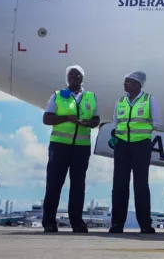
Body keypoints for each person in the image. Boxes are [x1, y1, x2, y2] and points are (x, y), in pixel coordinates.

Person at [41, 65, 99, 233]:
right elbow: (47, 118)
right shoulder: (57, 95)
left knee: (78, 186)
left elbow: (96, 119)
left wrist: (88, 123)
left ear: (83, 78)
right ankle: (49, 222)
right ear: (67, 78)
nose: (74, 76)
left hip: (81, 147)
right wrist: (67, 118)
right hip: (59, 146)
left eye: (78, 74)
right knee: (54, 184)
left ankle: (77, 222)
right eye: (71, 74)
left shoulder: (91, 97)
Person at [109, 71, 162, 234]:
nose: (125, 85)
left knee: (141, 186)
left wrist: (141, 133)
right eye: (125, 82)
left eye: (128, 82)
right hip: (122, 146)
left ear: (138, 84)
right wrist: (116, 136)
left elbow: (158, 122)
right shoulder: (120, 101)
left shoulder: (149, 99)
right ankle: (117, 224)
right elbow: (115, 122)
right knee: (119, 186)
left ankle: (145, 225)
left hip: (141, 146)